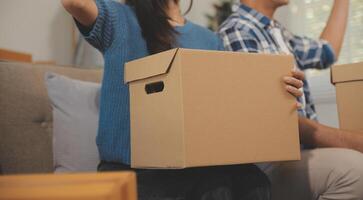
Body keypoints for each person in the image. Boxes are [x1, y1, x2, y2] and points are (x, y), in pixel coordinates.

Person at [61, 0, 305, 199]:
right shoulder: (119, 18)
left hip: (197, 166)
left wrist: (278, 96)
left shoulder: (210, 40)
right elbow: (74, 3)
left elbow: (227, 111)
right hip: (131, 173)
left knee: (253, 181)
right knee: (215, 186)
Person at [218, 0, 363, 199]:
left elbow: (326, 52)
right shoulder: (238, 30)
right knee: (355, 169)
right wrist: (350, 140)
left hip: (298, 153)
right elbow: (271, 118)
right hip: (269, 163)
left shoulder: (276, 32)